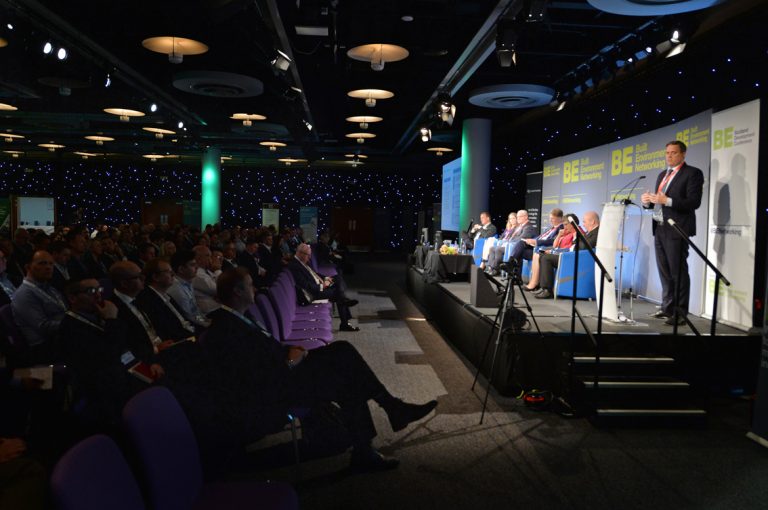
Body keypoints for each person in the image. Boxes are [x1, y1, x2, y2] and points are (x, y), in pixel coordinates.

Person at [200, 268, 438, 472]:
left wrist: (291, 351)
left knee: (344, 357)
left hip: (287, 372)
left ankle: (378, 430)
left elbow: (264, 353)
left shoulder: (238, 318)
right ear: (238, 292)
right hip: (279, 388)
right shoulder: (225, 329)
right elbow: (256, 377)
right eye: (251, 285)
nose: (256, 289)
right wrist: (291, 360)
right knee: (346, 371)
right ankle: (386, 417)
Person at [58, 278, 148, 427]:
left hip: (126, 370)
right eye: (91, 291)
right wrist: (112, 320)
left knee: (159, 378)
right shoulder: (70, 328)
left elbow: (126, 346)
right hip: (105, 389)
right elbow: (109, 355)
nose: (98, 295)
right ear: (73, 298)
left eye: (99, 290)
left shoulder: (98, 314)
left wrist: (146, 367)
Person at [641, 140, 704, 325]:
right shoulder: (663, 174)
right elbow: (658, 201)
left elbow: (694, 202)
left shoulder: (692, 173)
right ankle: (667, 308)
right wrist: (648, 201)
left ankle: (680, 313)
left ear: (683, 154)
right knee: (665, 272)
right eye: (667, 152)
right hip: (660, 228)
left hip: (678, 228)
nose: (669, 156)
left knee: (678, 272)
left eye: (674, 153)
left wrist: (667, 200)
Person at [11, 251, 66, 363]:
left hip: (61, 337)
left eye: (51, 264)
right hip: (45, 348)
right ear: (28, 267)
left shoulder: (49, 288)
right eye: (42, 263)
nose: (48, 267)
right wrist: (74, 323)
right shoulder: (24, 294)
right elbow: (43, 327)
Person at [290, 243, 359, 332]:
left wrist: (326, 278)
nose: (309, 258)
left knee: (338, 279)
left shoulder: (301, 262)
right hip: (312, 293)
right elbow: (306, 285)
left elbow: (313, 274)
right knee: (339, 294)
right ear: (301, 253)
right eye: (308, 255)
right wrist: (323, 285)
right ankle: (345, 320)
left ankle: (344, 309)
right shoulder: (295, 266)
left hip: (318, 285)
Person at [533, 212, 600, 299]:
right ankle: (544, 287)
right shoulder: (590, 232)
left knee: (546, 258)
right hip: (572, 256)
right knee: (543, 256)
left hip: (577, 259)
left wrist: (576, 239)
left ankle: (547, 290)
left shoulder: (596, 233)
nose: (583, 224)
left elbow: (584, 247)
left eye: (585, 222)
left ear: (592, 222)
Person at [485, 210, 538, 276]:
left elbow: (521, 238)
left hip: (523, 249)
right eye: (517, 217)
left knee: (498, 249)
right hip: (513, 246)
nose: (518, 218)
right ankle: (491, 268)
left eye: (520, 217)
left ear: (526, 217)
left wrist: (509, 242)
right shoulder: (520, 227)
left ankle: (496, 268)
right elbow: (512, 237)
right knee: (492, 248)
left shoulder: (528, 227)